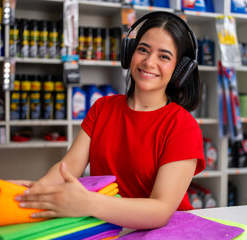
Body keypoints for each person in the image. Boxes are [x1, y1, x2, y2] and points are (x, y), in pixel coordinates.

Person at [13, 11, 205, 230]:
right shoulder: (103, 108)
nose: (149, 62)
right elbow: (69, 167)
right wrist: (36, 192)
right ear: (129, 53)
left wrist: (88, 203)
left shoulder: (183, 127)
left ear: (180, 70)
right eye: (143, 50)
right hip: (108, 229)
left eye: (164, 56)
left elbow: (160, 210)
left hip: (165, 233)